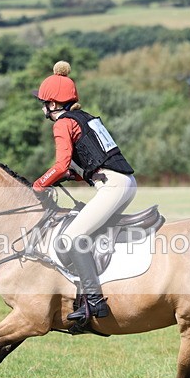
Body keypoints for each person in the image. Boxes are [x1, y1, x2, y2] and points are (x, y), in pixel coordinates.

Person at [32, 61, 137, 323]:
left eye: (44, 102)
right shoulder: (86, 118)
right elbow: (94, 162)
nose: (43, 108)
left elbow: (60, 164)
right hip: (123, 182)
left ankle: (94, 302)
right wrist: (72, 176)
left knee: (73, 236)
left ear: (53, 104)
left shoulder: (62, 124)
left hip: (113, 186)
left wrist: (40, 184)